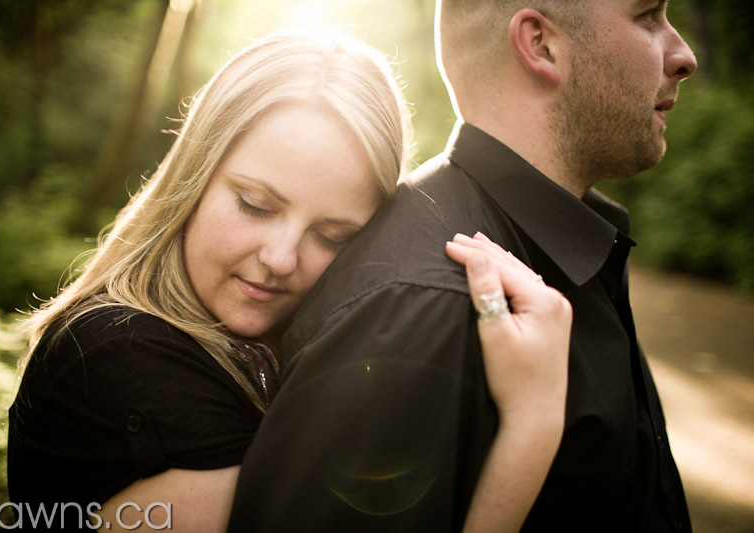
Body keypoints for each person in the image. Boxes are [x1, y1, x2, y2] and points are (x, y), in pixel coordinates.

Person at [7, 28, 571, 532]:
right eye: (255, 204)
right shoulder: (126, 354)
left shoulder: (292, 347)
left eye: (332, 236)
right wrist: (532, 423)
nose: (280, 259)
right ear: (194, 176)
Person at [229, 1, 698, 531]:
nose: (684, 55)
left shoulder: (572, 249)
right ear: (540, 44)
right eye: (648, 16)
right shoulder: (423, 307)